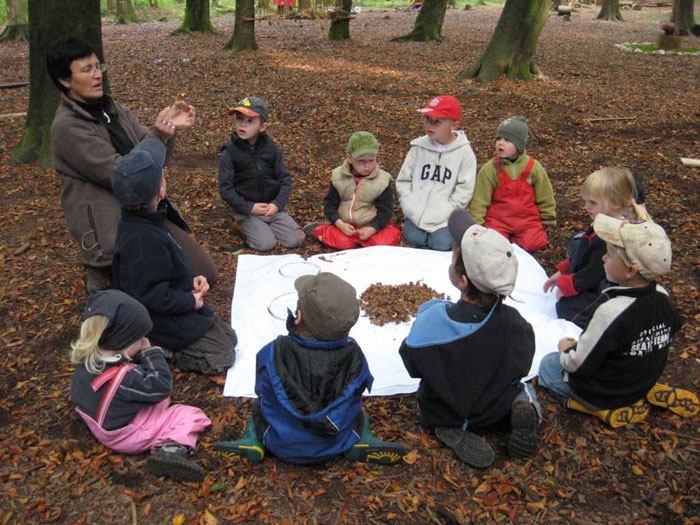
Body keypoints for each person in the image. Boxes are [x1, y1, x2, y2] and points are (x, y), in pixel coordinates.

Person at [47, 36, 216, 292]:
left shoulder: (112, 107)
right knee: (156, 298)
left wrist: (166, 131)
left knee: (206, 273)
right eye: (86, 70)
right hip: (114, 227)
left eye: (97, 67)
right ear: (64, 80)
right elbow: (126, 176)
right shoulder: (67, 127)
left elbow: (152, 152)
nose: (96, 75)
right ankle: (104, 280)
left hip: (146, 212)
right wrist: (158, 136)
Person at [213, 272, 406, 465]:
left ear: (298, 316)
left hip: (280, 442)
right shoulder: (354, 356)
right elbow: (358, 392)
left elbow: (262, 391)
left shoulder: (273, 351)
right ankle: (361, 440)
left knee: (260, 407)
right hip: (336, 440)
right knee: (358, 411)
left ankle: (252, 440)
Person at [399, 210, 540, 468]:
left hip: (446, 409)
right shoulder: (517, 325)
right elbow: (522, 367)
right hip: (496, 407)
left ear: (462, 280)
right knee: (523, 390)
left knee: (431, 402)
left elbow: (411, 363)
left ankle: (449, 428)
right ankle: (524, 409)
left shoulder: (433, 319)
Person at [538, 215, 698, 427]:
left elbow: (580, 365)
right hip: (640, 378)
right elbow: (673, 327)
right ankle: (645, 390)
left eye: (610, 255)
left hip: (604, 391)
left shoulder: (610, 311)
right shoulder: (662, 296)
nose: (603, 258)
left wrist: (566, 349)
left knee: (548, 366)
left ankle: (596, 408)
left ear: (630, 271)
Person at [111, 139, 236, 375]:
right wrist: (190, 301)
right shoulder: (141, 239)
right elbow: (151, 295)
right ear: (160, 191)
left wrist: (190, 281)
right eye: (162, 174)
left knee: (231, 337)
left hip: (173, 300)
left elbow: (166, 269)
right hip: (158, 318)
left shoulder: (151, 220)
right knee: (223, 355)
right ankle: (163, 350)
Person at [70, 289, 210, 482]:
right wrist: (151, 352)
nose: (144, 340)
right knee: (189, 415)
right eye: (140, 337)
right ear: (125, 341)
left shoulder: (87, 361)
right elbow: (162, 385)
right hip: (127, 435)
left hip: (97, 419)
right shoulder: (124, 377)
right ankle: (171, 450)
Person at [543, 167, 650, 329]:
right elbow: (582, 251)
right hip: (592, 280)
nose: (586, 207)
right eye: (586, 201)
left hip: (605, 289)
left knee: (566, 307)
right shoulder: (601, 222)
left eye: (592, 202)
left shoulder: (611, 236)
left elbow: (592, 273)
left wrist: (566, 286)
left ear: (615, 203)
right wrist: (563, 270)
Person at [218, 96, 305, 251]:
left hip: (272, 209)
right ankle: (240, 224)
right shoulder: (230, 152)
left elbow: (285, 180)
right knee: (266, 244)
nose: (242, 124)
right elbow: (226, 189)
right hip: (247, 211)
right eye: (239, 118)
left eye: (250, 121)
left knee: (296, 240)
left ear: (263, 126)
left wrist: (277, 204)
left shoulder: (272, 150)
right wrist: (249, 207)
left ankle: (266, 227)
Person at [396, 95, 477, 251]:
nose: (430, 125)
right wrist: (409, 204)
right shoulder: (418, 147)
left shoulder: (464, 153)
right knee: (413, 238)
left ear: (454, 125)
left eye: (437, 121)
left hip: (444, 217)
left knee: (439, 244)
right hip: (416, 213)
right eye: (428, 119)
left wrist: (447, 210)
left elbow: (464, 190)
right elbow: (404, 180)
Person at [469, 116, 555, 252]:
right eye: (498, 139)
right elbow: (480, 199)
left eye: (507, 140)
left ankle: (518, 241)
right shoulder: (490, 169)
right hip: (499, 220)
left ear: (520, 144)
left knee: (534, 243)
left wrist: (547, 218)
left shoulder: (533, 167)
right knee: (493, 244)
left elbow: (545, 195)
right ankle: (504, 241)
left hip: (526, 220)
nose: (500, 143)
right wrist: (477, 224)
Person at [304, 131, 401, 249]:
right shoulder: (338, 176)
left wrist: (372, 228)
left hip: (371, 227)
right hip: (345, 226)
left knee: (382, 242)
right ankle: (321, 230)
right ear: (349, 158)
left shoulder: (382, 180)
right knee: (343, 242)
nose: (367, 166)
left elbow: (386, 211)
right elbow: (330, 205)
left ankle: (362, 241)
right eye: (361, 161)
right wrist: (340, 224)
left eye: (371, 160)